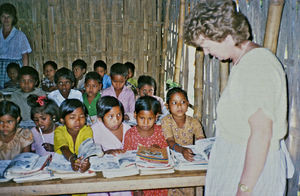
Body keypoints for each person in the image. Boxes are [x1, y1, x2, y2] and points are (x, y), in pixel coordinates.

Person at [184, 0, 294, 195]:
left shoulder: (257, 65)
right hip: (238, 165)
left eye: (207, 46)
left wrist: (244, 189)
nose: (207, 53)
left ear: (226, 36)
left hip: (251, 173)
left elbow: (261, 134)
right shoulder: (243, 63)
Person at [123, 96, 168, 196]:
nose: (146, 123)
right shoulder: (130, 134)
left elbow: (167, 156)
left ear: (156, 117)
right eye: (142, 118)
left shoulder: (161, 132)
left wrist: (160, 150)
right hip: (137, 179)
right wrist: (136, 187)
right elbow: (126, 160)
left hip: (158, 179)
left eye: (150, 118)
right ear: (135, 115)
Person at [90, 96, 131, 196]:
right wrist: (105, 153)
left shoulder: (128, 129)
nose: (116, 120)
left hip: (125, 174)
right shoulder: (94, 131)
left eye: (119, 115)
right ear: (100, 119)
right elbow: (89, 154)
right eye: (110, 116)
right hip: (102, 176)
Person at [162, 87, 205, 161]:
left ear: (188, 103)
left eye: (183, 102)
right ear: (167, 106)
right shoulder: (166, 121)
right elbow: (170, 141)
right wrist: (182, 150)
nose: (179, 106)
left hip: (188, 156)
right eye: (174, 103)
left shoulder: (194, 122)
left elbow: (201, 141)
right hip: (172, 156)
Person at [54, 99, 92, 173]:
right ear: (62, 120)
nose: (78, 120)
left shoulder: (87, 130)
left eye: (81, 116)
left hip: (80, 160)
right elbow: (64, 148)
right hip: (62, 162)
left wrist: (85, 162)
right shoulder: (59, 131)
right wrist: (73, 160)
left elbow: (88, 148)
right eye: (72, 117)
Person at [0, 3, 31, 89]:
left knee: (14, 91)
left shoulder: (20, 35)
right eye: (3, 16)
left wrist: (24, 73)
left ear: (13, 18)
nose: (6, 19)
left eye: (8, 16)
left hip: (15, 69)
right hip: (0, 67)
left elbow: (25, 55)